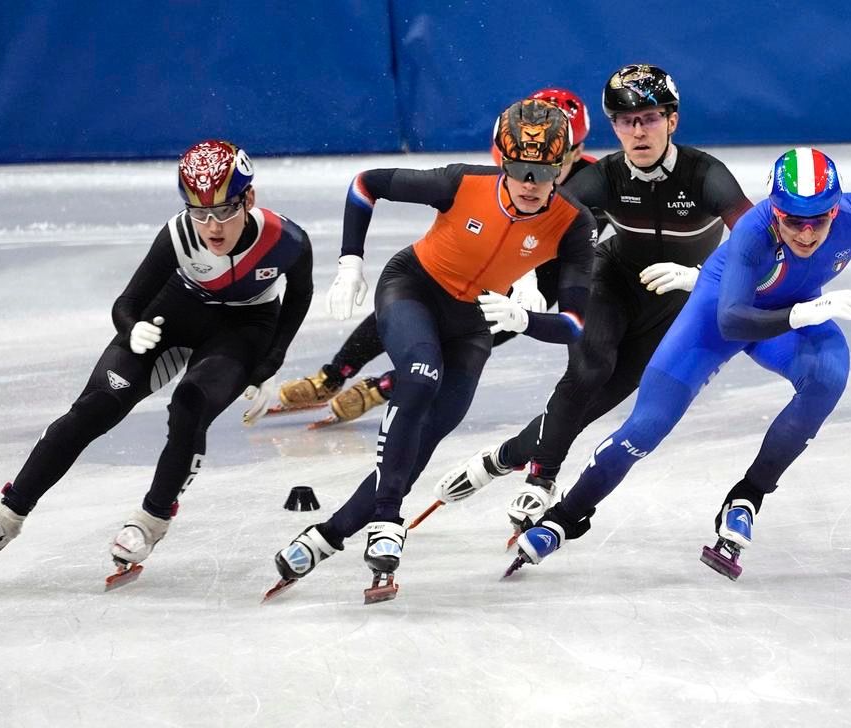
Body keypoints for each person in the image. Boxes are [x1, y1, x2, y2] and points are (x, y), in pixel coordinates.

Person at [506, 110, 851, 579]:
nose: (806, 232)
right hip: (718, 317)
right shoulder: (754, 234)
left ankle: (748, 495)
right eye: (793, 220)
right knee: (646, 429)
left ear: (836, 208)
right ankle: (567, 517)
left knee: (830, 375)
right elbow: (732, 322)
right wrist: (801, 311)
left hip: (791, 317)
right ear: (774, 209)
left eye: (818, 220)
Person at [0, 140, 314, 583]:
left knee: (190, 406)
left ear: (248, 199)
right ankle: (5, 516)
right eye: (199, 212)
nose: (211, 227)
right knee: (94, 407)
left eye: (222, 211)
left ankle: (151, 521)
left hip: (244, 327)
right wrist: (132, 327)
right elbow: (128, 302)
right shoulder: (179, 234)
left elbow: (300, 295)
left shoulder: (286, 240)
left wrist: (269, 362)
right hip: (175, 313)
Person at [269, 99, 597, 602]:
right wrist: (350, 262)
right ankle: (387, 518)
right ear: (502, 162)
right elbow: (366, 183)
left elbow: (574, 324)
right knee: (420, 377)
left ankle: (326, 536)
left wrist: (526, 320)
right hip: (413, 289)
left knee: (423, 441)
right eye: (519, 169)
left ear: (563, 167)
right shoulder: (462, 183)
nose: (531, 183)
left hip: (474, 325)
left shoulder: (573, 222)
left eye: (545, 172)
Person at [430, 64, 753, 534]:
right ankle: (541, 478)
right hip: (611, 281)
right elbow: (530, 221)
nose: (637, 132)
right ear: (613, 126)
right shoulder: (605, 177)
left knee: (594, 403)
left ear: (672, 120)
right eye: (625, 121)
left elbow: (756, 243)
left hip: (672, 306)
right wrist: (525, 276)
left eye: (649, 119)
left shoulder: (706, 175)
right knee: (588, 368)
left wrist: (703, 278)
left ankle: (502, 458)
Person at [263, 88, 603, 427]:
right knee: (418, 298)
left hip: (548, 274)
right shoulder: (519, 161)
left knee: (478, 332)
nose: (535, 172)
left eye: (553, 161)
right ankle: (335, 373)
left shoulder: (593, 187)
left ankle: (386, 386)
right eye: (524, 162)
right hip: (495, 251)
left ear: (577, 151)